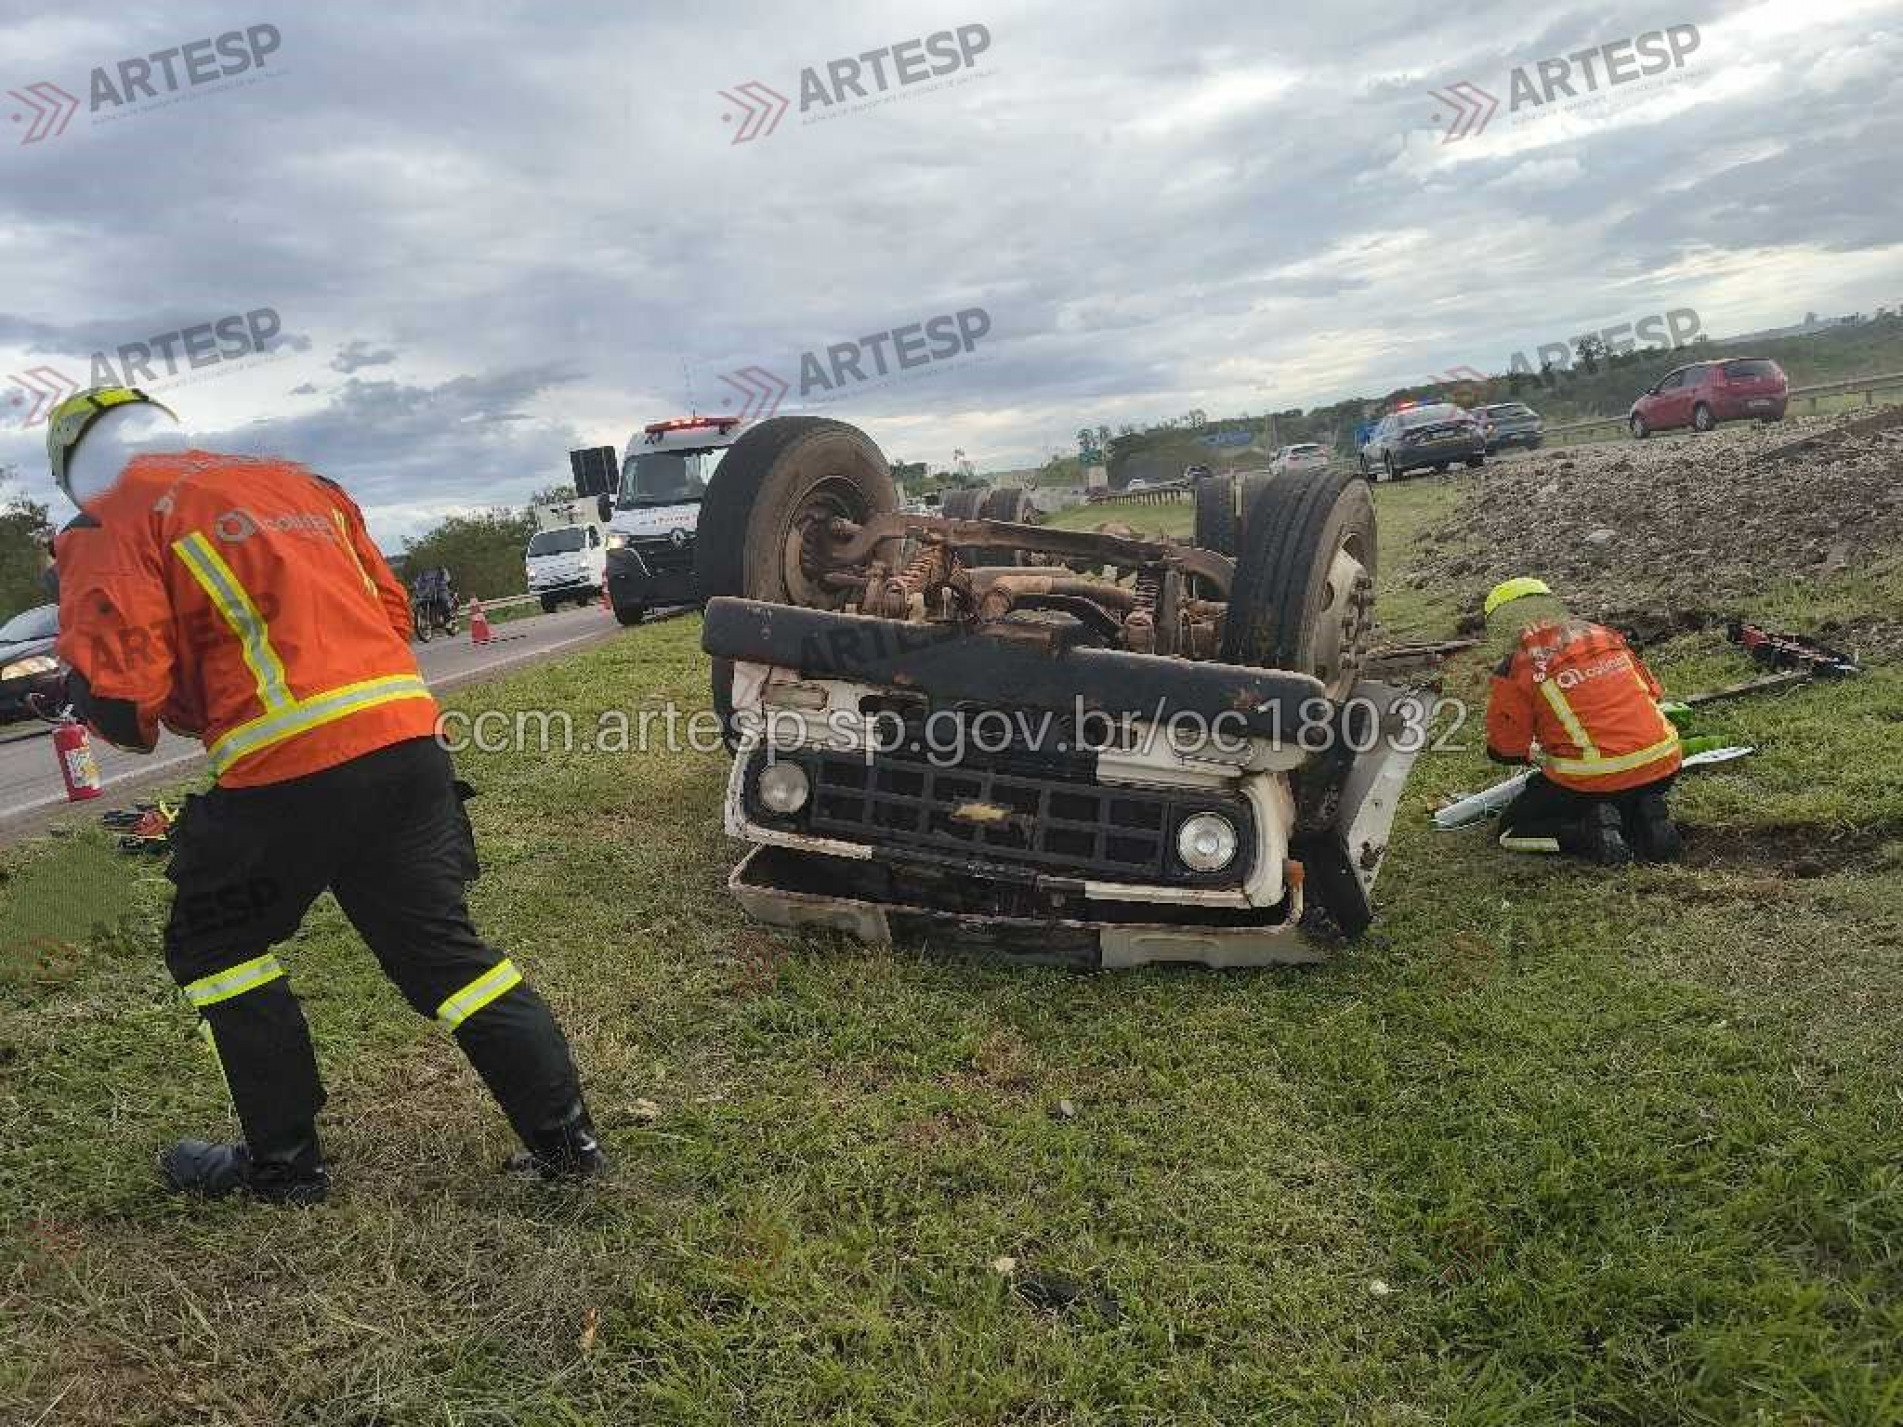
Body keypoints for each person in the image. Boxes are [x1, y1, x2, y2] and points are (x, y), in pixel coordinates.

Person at [47, 386, 603, 1205]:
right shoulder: (301, 483)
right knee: (445, 956)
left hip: (287, 767)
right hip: (408, 744)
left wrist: (76, 688)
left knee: (213, 945)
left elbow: (128, 710)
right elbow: (391, 613)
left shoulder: (108, 519)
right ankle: (568, 1143)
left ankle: (284, 1167)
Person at [1483, 577, 1684, 866]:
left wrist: (1538, 747)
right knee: (1620, 792)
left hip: (1591, 781)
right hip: (1664, 767)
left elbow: (1505, 750)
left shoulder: (1515, 666)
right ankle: (1643, 813)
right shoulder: (1603, 635)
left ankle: (1586, 836)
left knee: (1511, 830)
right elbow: (1653, 692)